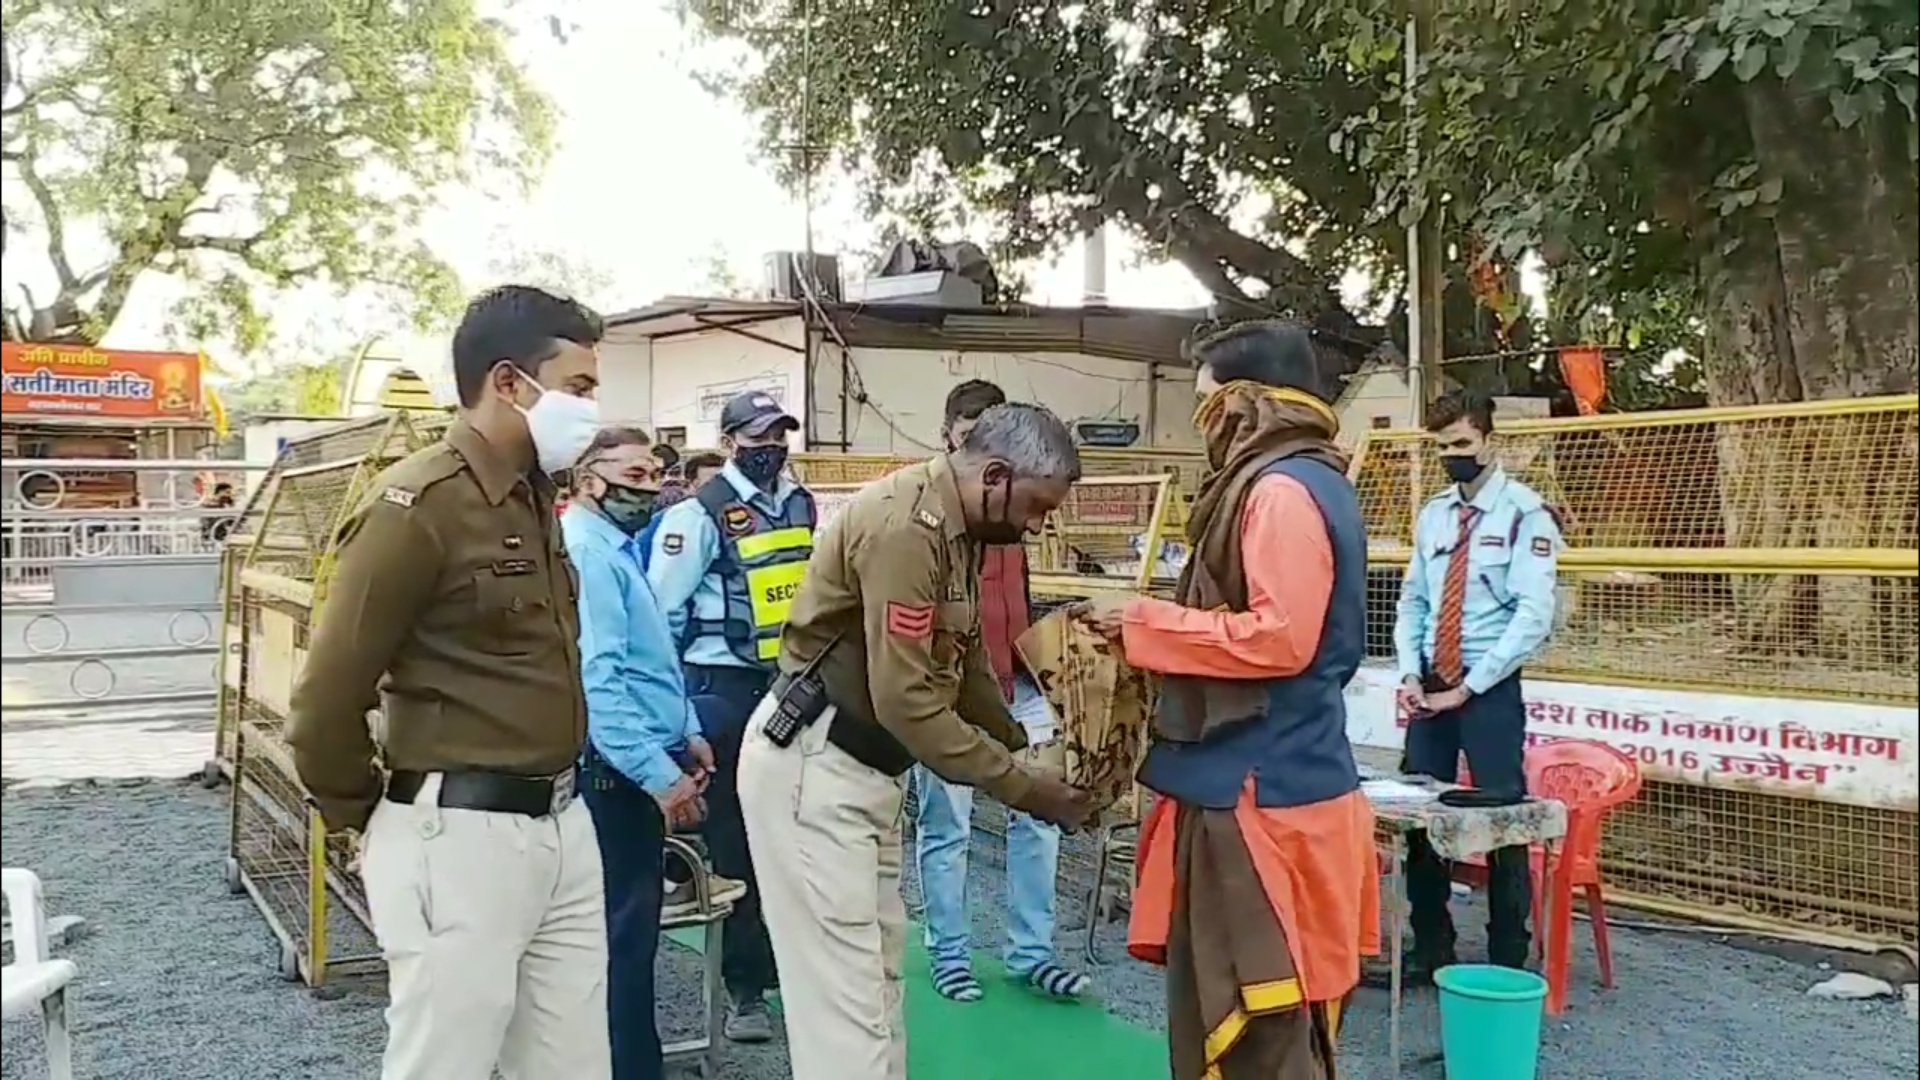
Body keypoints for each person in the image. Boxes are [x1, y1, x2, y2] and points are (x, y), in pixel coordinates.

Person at [285, 285, 612, 1080]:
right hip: (457, 835)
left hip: (561, 823)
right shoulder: (417, 506)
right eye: (577, 390)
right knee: (445, 1063)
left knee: (572, 1064)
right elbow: (326, 700)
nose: (590, 412)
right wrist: (372, 816)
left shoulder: (535, 497)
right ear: (509, 382)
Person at [739, 402, 1097, 1080]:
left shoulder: (958, 530)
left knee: (876, 978)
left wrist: (1025, 748)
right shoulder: (908, 526)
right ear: (995, 475)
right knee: (844, 1002)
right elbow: (905, 700)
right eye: (1035, 506)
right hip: (817, 763)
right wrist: (1024, 787)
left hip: (861, 770)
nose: (1036, 525)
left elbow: (961, 669)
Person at [1072, 321, 1380, 1080]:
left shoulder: (1278, 490)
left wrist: (1143, 623)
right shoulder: (1312, 478)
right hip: (1274, 780)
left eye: (1208, 405)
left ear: (1249, 406)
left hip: (1262, 798)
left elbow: (1281, 638)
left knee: (1260, 1028)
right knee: (1267, 1024)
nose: (1200, 424)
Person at [562, 426, 749, 1080]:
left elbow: (651, 663)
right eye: (634, 476)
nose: (649, 488)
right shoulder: (589, 555)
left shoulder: (615, 549)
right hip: (617, 778)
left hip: (639, 761)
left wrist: (688, 726)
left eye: (653, 474)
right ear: (589, 482)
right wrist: (660, 776)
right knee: (621, 943)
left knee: (631, 942)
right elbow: (601, 684)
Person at [646, 392, 815, 1042]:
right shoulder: (696, 517)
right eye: (758, 434)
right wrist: (677, 710)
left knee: (795, 835)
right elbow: (658, 618)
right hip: (723, 689)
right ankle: (745, 988)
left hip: (792, 689)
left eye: (779, 433)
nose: (771, 445)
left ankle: (788, 970)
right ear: (731, 441)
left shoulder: (799, 505)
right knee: (738, 844)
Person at [913, 380, 1090, 1003]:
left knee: (1037, 815)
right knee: (948, 826)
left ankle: (1031, 952)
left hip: (1019, 681)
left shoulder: (1015, 510)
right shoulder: (927, 515)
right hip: (954, 691)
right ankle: (949, 951)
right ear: (950, 441)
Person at [1393, 389, 1562, 978]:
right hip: (1432, 682)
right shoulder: (1434, 513)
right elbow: (1413, 597)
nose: (1453, 456)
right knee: (1420, 813)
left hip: (1487, 686)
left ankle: (1507, 960)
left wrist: (1470, 687)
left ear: (1488, 439)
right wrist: (1410, 671)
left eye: (1463, 444)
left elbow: (1533, 615)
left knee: (1504, 820)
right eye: (1442, 447)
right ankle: (1430, 947)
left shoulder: (1525, 514)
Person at [643, 451, 726, 563]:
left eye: (724, 483)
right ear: (690, 485)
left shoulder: (739, 517)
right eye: (710, 484)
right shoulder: (668, 520)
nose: (719, 489)